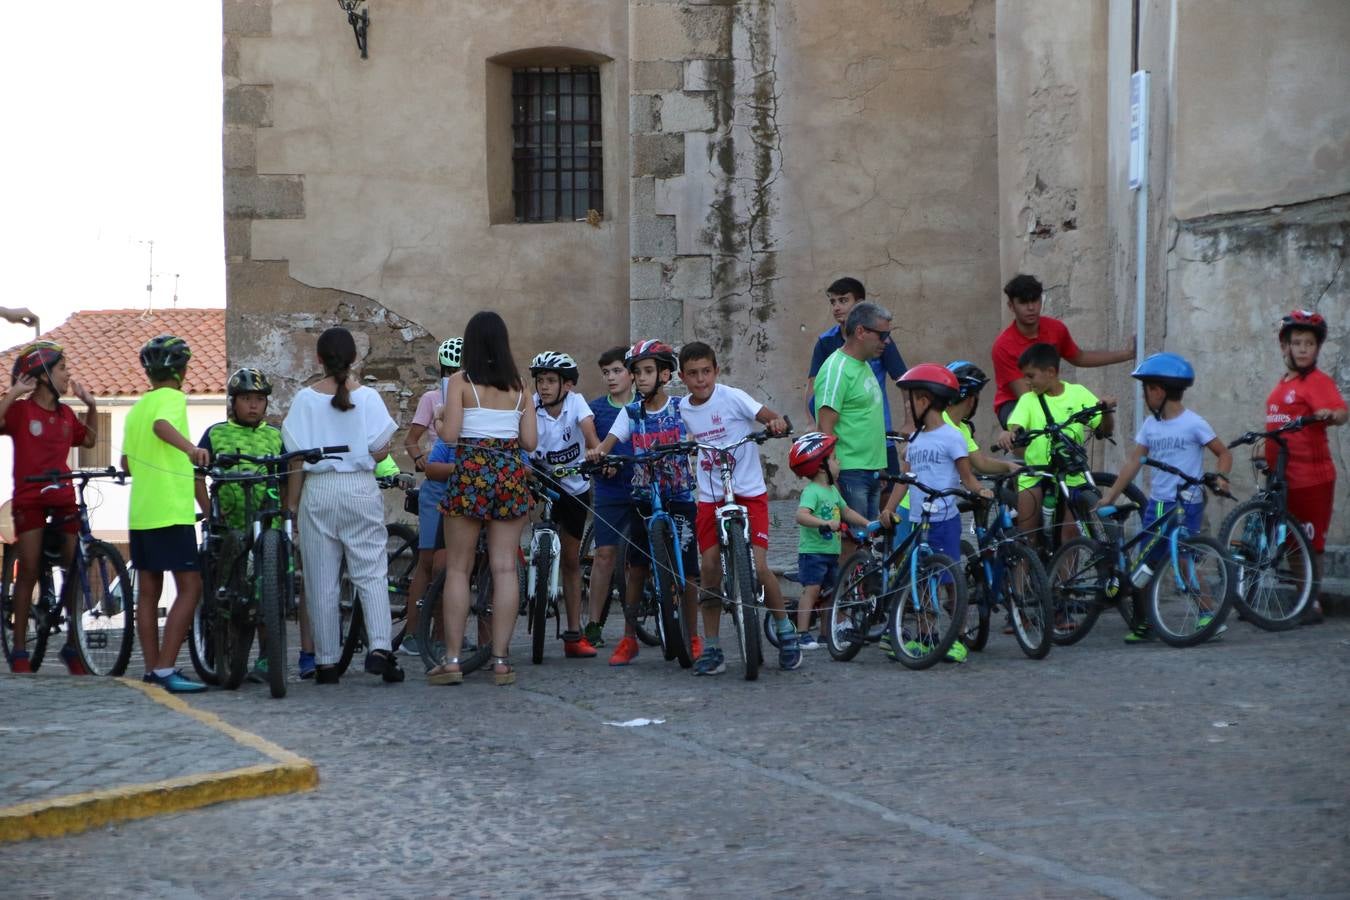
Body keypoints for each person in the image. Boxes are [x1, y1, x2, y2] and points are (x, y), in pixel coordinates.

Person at [283, 326, 404, 686]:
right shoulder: (367, 398)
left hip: (318, 489)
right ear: (355, 358)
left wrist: (291, 506)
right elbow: (380, 449)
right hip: (359, 488)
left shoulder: (305, 400)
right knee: (371, 571)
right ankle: (381, 647)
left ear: (318, 359)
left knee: (321, 578)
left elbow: (295, 459)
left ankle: (326, 661)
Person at [427, 311, 538, 686]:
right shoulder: (521, 386)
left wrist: (440, 418)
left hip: (472, 469)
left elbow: (450, 437)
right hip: (508, 470)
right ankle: (502, 660)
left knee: (459, 568)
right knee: (505, 567)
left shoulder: (460, 381)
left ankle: (454, 659)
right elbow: (530, 443)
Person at [677, 341, 797, 672]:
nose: (701, 380)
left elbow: (766, 415)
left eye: (706, 372)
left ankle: (786, 631)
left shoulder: (733, 397)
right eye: (693, 374)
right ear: (682, 377)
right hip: (710, 495)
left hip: (748, 491)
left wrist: (774, 424)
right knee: (710, 566)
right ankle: (713, 647)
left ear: (716, 371)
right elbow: (673, 434)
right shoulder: (683, 409)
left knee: (759, 568)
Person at [1097, 352, 1233, 642]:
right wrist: (1110, 496)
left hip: (1188, 504)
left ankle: (1207, 614)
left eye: (1146, 388)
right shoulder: (1151, 426)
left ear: (1158, 390)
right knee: (1146, 564)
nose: (1145, 395)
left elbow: (1223, 453)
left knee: (1184, 561)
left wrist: (1221, 477)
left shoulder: (1194, 423)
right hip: (1158, 505)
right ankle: (1144, 621)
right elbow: (1134, 463)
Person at [587, 339, 701, 668]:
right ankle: (628, 637)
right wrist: (598, 452)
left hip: (679, 495)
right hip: (644, 498)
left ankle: (692, 636)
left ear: (666, 374)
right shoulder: (631, 412)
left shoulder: (681, 408)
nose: (641, 378)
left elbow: (702, 432)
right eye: (637, 372)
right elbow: (609, 442)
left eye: (648, 371)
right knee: (635, 568)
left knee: (689, 573)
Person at [0, 341, 97, 674]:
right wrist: (13, 393)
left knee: (74, 568)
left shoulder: (66, 414)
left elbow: (89, 440)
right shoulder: (21, 411)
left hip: (63, 494)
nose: (68, 374)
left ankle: (73, 645)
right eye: (61, 369)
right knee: (28, 568)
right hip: (30, 498)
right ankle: (19, 649)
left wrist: (92, 406)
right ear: (41, 376)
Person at [121, 335, 210, 692]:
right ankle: (166, 668)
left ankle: (152, 667)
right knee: (191, 586)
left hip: (141, 512)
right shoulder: (172, 398)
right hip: (170, 509)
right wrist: (190, 449)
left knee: (148, 593)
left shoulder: (135, 408)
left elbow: (126, 463)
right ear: (182, 371)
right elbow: (162, 426)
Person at [887, 364, 992, 663]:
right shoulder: (916, 441)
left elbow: (967, 476)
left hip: (944, 520)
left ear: (925, 401)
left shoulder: (952, 437)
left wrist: (979, 491)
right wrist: (888, 508)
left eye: (912, 400)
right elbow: (905, 481)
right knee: (920, 579)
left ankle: (956, 636)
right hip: (919, 520)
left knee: (949, 579)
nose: (909, 406)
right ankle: (926, 635)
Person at [197, 368, 286, 682]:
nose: (253, 406)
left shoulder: (275, 436)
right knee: (224, 583)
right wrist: (209, 514)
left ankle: (266, 658)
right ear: (233, 402)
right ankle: (217, 645)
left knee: (269, 589)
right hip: (228, 521)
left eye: (259, 400)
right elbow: (197, 476)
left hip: (266, 521)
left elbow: (285, 475)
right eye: (247, 399)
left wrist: (289, 511)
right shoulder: (215, 433)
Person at [1263, 310, 1346, 624]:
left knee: (1310, 543)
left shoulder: (1317, 382)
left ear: (1317, 348)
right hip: (1282, 476)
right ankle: (1301, 599)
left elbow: (1340, 412)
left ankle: (1311, 603)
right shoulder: (1284, 382)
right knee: (1290, 541)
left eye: (1308, 343)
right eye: (1296, 342)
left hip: (1311, 478)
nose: (1301, 348)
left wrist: (1330, 414)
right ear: (1285, 346)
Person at [996, 343, 1116, 545]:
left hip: (1070, 471)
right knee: (1027, 538)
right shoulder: (1028, 400)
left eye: (1030, 376)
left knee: (1070, 535)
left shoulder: (1078, 393)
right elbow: (1016, 425)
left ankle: (1067, 575)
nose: (1026, 381)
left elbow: (1104, 430)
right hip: (1037, 472)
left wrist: (1105, 411)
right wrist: (1009, 433)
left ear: (1051, 372)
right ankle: (1024, 573)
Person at [528, 350, 600, 658]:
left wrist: (596, 451)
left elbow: (589, 432)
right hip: (541, 481)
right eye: (540, 380)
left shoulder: (576, 404)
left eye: (551, 381)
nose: (543, 387)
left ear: (566, 385)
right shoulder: (531, 406)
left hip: (574, 485)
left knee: (571, 560)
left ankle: (573, 634)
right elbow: (520, 439)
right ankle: (524, 582)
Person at [991, 274, 1134, 427]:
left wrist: (1127, 354)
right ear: (1011, 306)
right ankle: (1015, 450)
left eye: (1035, 300)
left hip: (1050, 392)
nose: (1031, 307)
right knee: (1024, 429)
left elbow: (1079, 357)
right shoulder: (1002, 346)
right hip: (1014, 402)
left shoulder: (1056, 329)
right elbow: (1026, 396)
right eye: (1024, 302)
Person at [805, 278, 908, 476]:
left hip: (878, 434)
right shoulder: (826, 342)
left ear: (860, 304)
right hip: (846, 442)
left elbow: (903, 380)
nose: (836, 307)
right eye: (833, 302)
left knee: (886, 494)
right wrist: (812, 422)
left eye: (843, 300)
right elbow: (813, 386)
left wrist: (909, 420)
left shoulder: (880, 339)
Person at [400, 336, 462, 659]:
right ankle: (413, 633)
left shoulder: (472, 398)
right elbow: (412, 440)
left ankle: (444, 634)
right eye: (448, 369)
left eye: (457, 369)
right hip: (436, 484)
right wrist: (419, 459)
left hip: (462, 482)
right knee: (428, 562)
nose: (452, 375)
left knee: (453, 564)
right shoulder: (431, 398)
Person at [814, 302, 893, 541]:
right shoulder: (837, 369)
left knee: (865, 543)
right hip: (849, 472)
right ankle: (846, 580)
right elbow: (825, 426)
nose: (886, 341)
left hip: (869, 471)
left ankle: (861, 579)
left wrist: (879, 467)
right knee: (853, 543)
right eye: (883, 335)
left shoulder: (863, 365)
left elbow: (866, 419)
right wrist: (830, 475)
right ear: (861, 331)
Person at [789, 432, 872, 650]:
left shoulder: (833, 491)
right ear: (821, 466)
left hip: (831, 552)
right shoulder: (812, 491)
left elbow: (846, 511)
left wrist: (868, 524)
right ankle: (802, 633)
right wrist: (823, 523)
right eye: (835, 459)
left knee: (831, 594)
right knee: (812, 590)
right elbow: (801, 516)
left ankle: (826, 634)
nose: (839, 462)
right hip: (813, 552)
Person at [583, 346, 637, 648]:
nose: (611, 377)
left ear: (631, 373)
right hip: (610, 490)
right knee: (604, 556)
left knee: (640, 560)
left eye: (616, 371)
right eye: (606, 373)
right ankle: (594, 623)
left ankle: (637, 624)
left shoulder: (644, 405)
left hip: (640, 486)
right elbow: (591, 450)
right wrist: (600, 466)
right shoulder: (596, 410)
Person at [944, 361, 1021, 477]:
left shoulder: (961, 427)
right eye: (977, 394)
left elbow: (981, 463)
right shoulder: (940, 422)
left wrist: (1009, 466)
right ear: (970, 399)